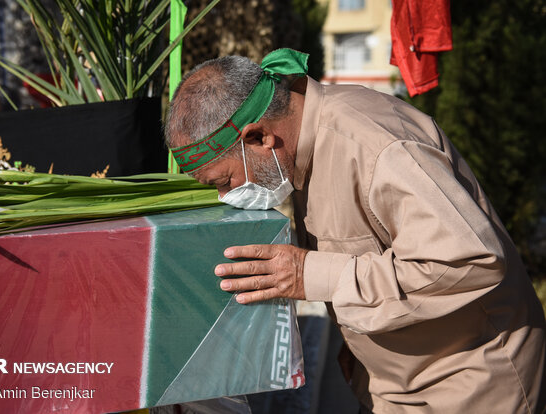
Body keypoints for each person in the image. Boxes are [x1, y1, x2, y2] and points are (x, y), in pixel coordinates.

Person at [164, 49, 546, 413]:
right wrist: (359, 343)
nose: (226, 196)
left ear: (259, 137)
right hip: (391, 385)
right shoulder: (295, 147)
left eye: (224, 180)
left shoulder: (376, 146)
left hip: (469, 386)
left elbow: (469, 261)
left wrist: (307, 274)